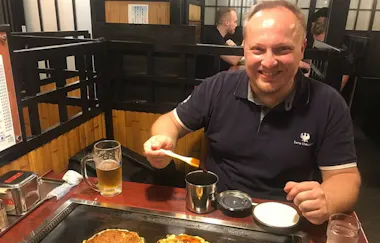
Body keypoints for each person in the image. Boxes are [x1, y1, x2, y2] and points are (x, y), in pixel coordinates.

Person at [144, 1, 361, 225]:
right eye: (258, 49)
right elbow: (169, 121)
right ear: (244, 48)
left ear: (302, 48)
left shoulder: (327, 103)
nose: (268, 62)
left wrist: (328, 199)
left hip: (287, 219)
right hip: (216, 213)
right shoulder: (218, 87)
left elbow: (344, 178)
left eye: (282, 49)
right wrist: (163, 140)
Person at [311, 17, 355, 91]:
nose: (319, 46)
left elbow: (336, 91)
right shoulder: (319, 47)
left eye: (322, 42)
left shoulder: (345, 56)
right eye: (317, 41)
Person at [197, 8, 243, 78]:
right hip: (207, 83)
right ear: (227, 22)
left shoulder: (220, 35)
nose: (236, 25)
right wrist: (246, 41)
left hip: (216, 77)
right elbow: (233, 60)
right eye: (235, 22)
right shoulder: (213, 37)